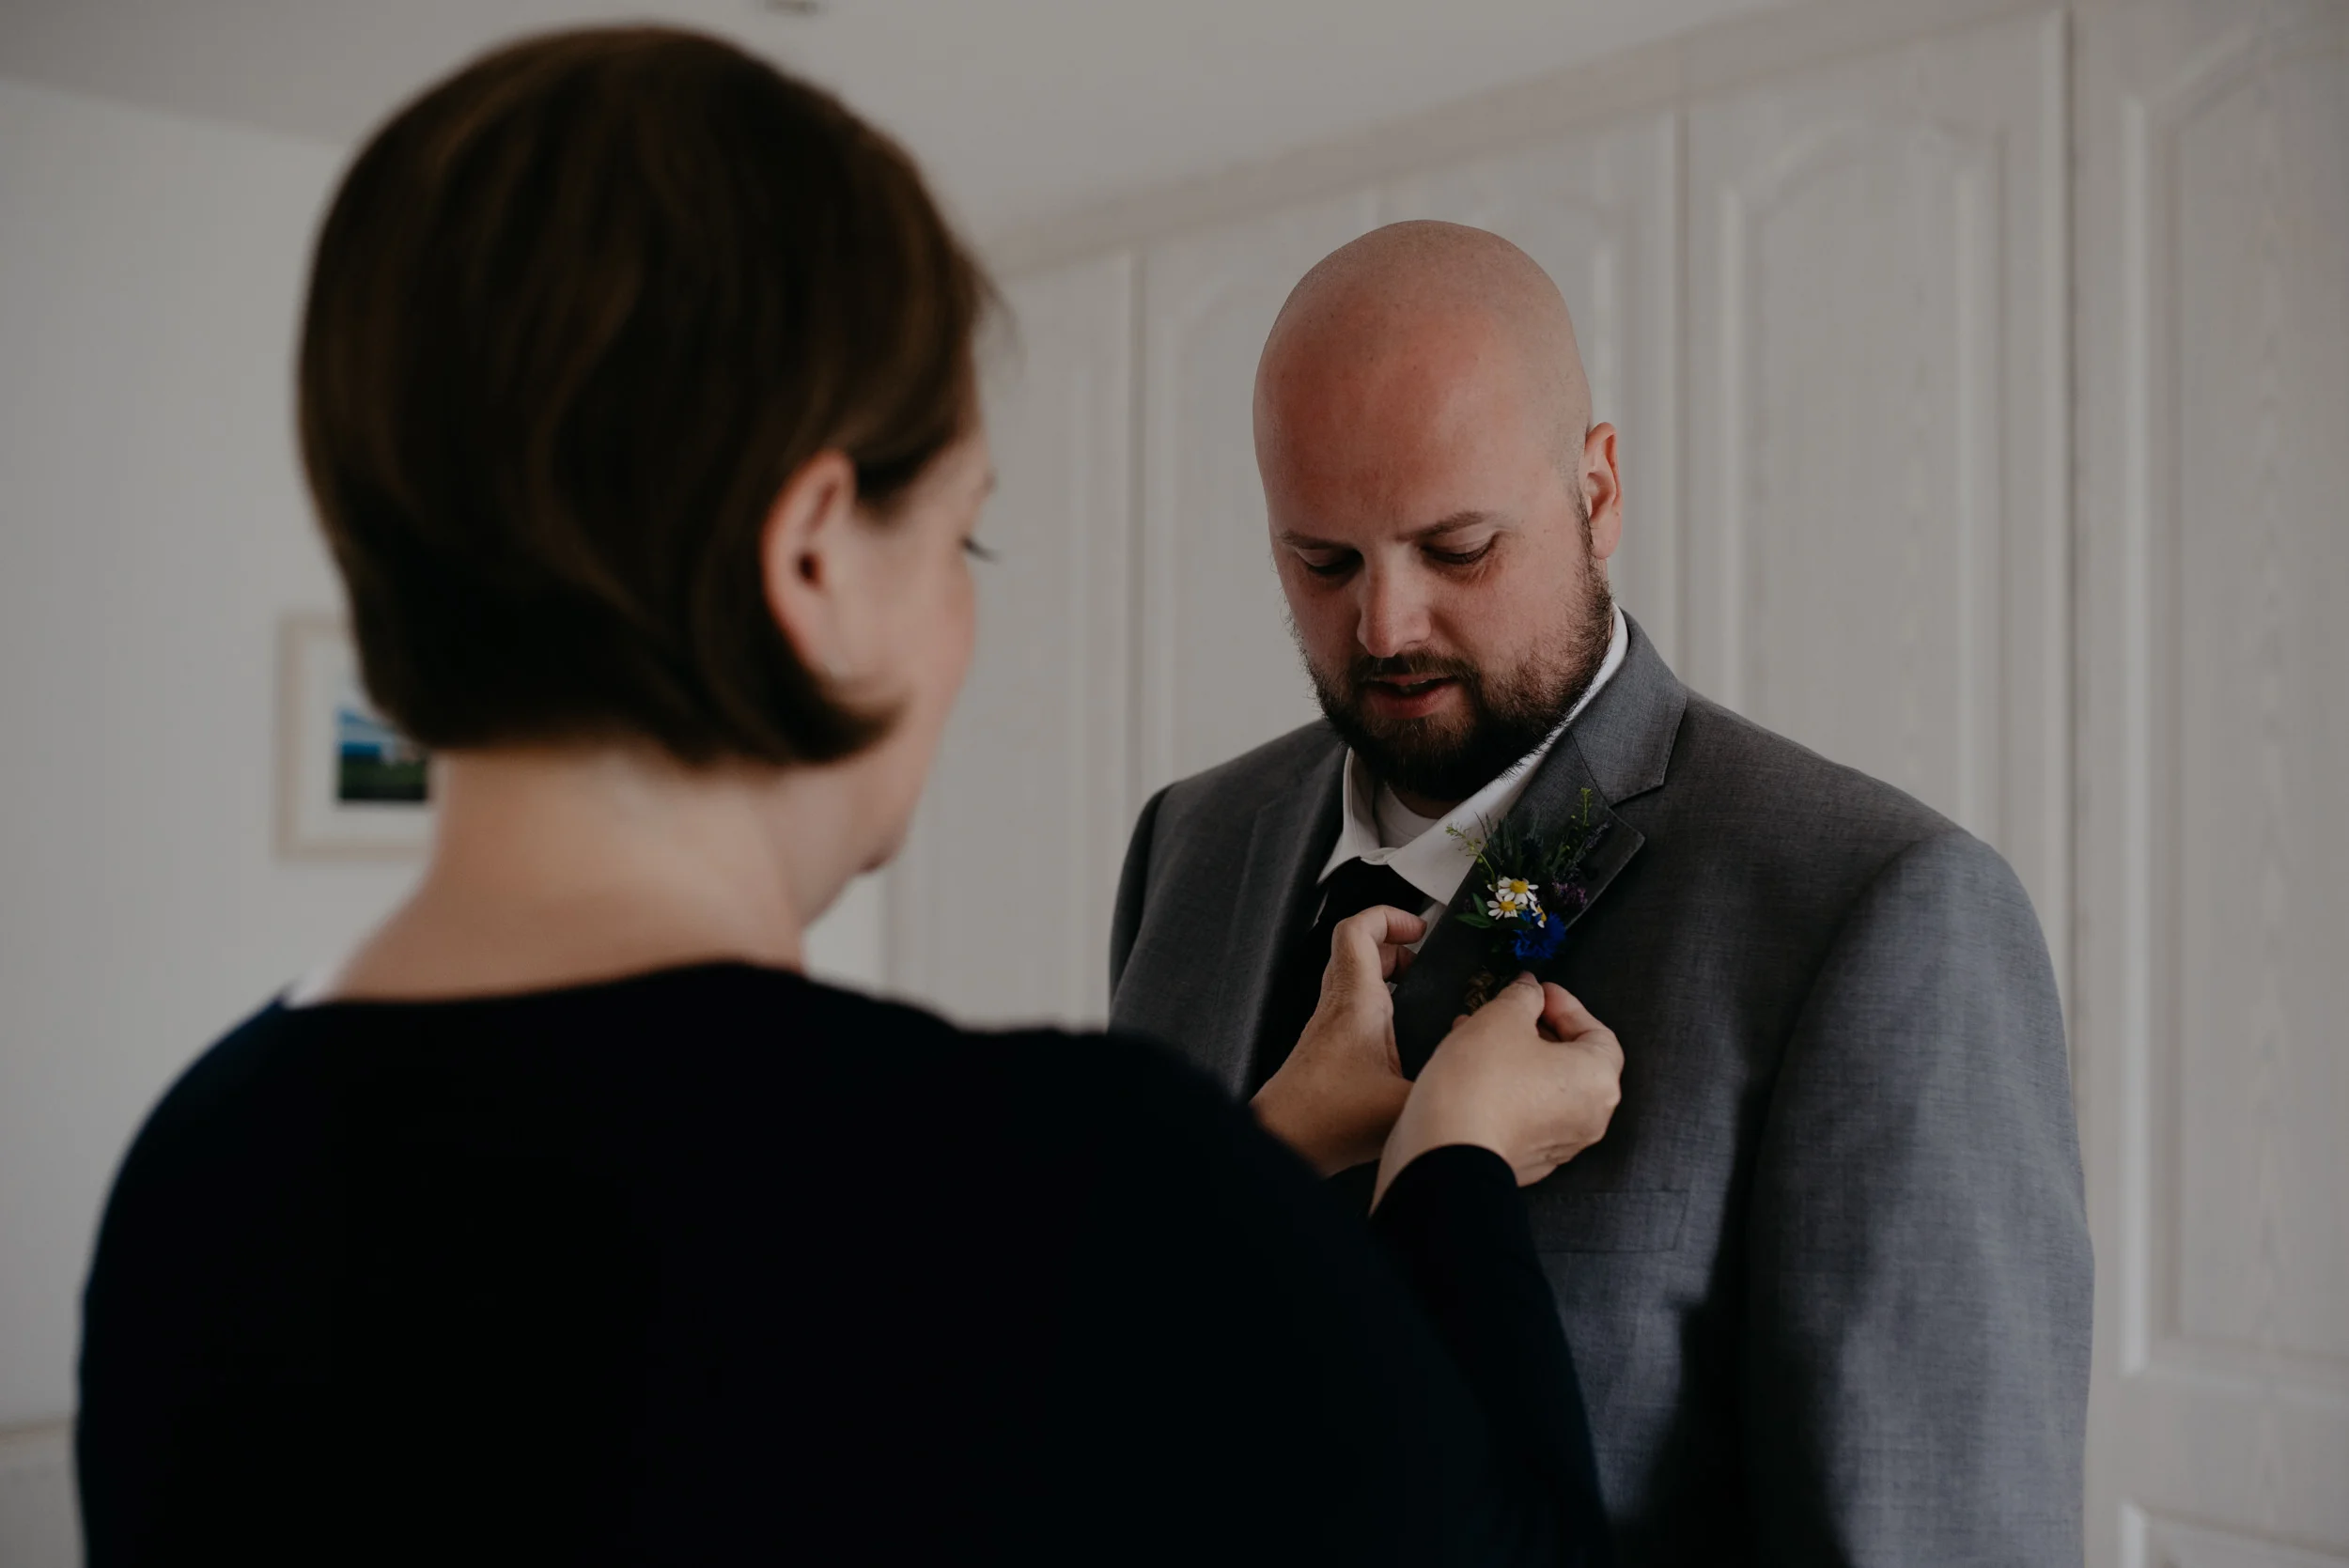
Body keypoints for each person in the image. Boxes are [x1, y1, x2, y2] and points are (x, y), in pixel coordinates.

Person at [73, 34, 1625, 1567]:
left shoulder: (198, 1184)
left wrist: (1270, 1144)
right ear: (815, 557)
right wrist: (1449, 1165)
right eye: (961, 542)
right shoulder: (1068, 1171)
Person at [1109, 222, 2094, 1563]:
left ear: (1599, 489)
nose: (1385, 627)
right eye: (1323, 562)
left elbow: (1931, 1528)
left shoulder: (1878, 912)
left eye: (1458, 549)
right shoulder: (1192, 845)